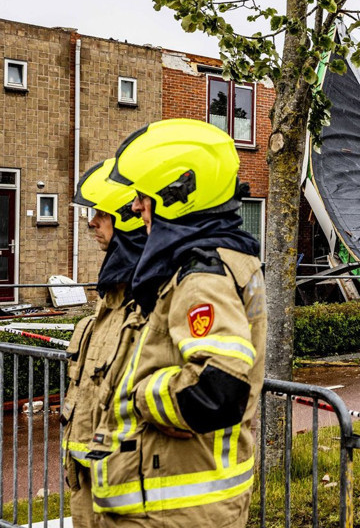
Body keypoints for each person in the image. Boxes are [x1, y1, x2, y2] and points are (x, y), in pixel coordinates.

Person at [86, 119, 266, 528]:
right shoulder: (213, 263)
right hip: (171, 502)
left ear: (177, 197)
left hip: (177, 508)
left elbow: (217, 390)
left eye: (143, 198)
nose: (134, 208)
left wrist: (141, 394)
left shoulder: (203, 275)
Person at [63, 159, 147, 527]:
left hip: (121, 495)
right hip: (85, 483)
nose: (91, 222)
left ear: (127, 221)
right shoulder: (108, 301)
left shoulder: (147, 299)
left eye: (102, 213)